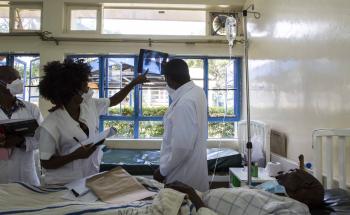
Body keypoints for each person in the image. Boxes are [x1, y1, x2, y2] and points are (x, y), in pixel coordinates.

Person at [38, 59, 147, 185]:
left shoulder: (89, 105)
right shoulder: (50, 124)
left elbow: (114, 100)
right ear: (72, 91)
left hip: (88, 177)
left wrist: (133, 83)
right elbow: (46, 162)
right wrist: (74, 156)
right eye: (85, 86)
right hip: (62, 183)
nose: (87, 89)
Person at [153, 59, 209, 192]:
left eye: (165, 79)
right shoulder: (198, 92)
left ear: (169, 78)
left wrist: (162, 171)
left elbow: (181, 148)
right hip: (194, 172)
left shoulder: (184, 103)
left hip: (182, 177)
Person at [0, 66, 43, 185]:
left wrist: (21, 141)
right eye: (10, 78)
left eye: (18, 78)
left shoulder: (31, 109)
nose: (17, 81)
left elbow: (44, 139)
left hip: (26, 176)